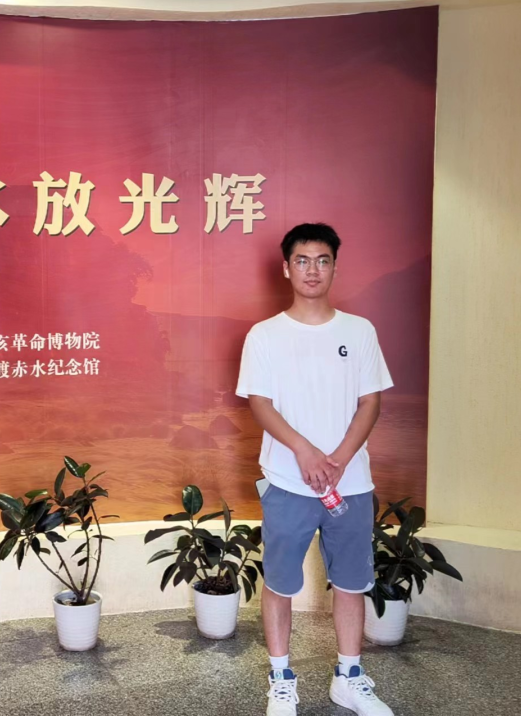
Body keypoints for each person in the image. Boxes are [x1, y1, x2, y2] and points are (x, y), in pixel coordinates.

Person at [235, 223, 395, 716]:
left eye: (322, 260)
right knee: (280, 583)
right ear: (286, 268)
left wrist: (339, 458)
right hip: (288, 481)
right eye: (302, 260)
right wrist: (304, 452)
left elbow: (370, 402)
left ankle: (349, 677)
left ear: (334, 268)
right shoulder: (265, 335)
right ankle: (282, 679)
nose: (312, 270)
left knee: (351, 582)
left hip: (352, 483)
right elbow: (260, 403)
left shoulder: (359, 331)